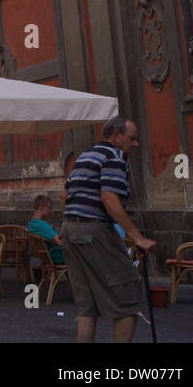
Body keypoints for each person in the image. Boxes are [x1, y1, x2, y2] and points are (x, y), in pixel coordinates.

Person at [62, 118, 155, 343]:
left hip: (69, 228)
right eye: (131, 138)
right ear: (115, 135)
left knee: (86, 307)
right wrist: (138, 237)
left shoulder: (85, 156)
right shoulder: (114, 156)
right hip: (94, 229)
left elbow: (65, 194)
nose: (135, 144)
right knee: (127, 298)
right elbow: (109, 199)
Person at [27, 194, 64, 264]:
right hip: (57, 256)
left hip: (45, 256)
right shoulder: (43, 225)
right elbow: (59, 241)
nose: (51, 211)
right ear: (41, 208)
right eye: (49, 208)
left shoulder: (32, 224)